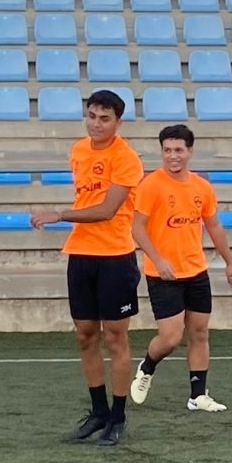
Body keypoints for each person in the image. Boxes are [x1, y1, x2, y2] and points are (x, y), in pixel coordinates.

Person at [40, 89, 144, 445]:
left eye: (104, 118)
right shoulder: (78, 150)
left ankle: (118, 416)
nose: (96, 124)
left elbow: (107, 210)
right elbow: (87, 197)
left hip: (115, 256)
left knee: (115, 337)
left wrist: (59, 214)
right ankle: (98, 413)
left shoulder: (126, 158)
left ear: (118, 122)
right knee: (85, 335)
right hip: (81, 254)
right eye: (91, 116)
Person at [126, 122, 232, 414]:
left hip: (195, 271)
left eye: (178, 150)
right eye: (167, 150)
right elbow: (137, 228)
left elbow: (213, 225)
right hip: (163, 274)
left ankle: (198, 395)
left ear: (190, 151)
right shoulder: (151, 185)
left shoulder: (202, 187)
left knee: (200, 332)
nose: (172, 156)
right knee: (171, 338)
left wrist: (229, 262)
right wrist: (158, 260)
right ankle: (147, 367)